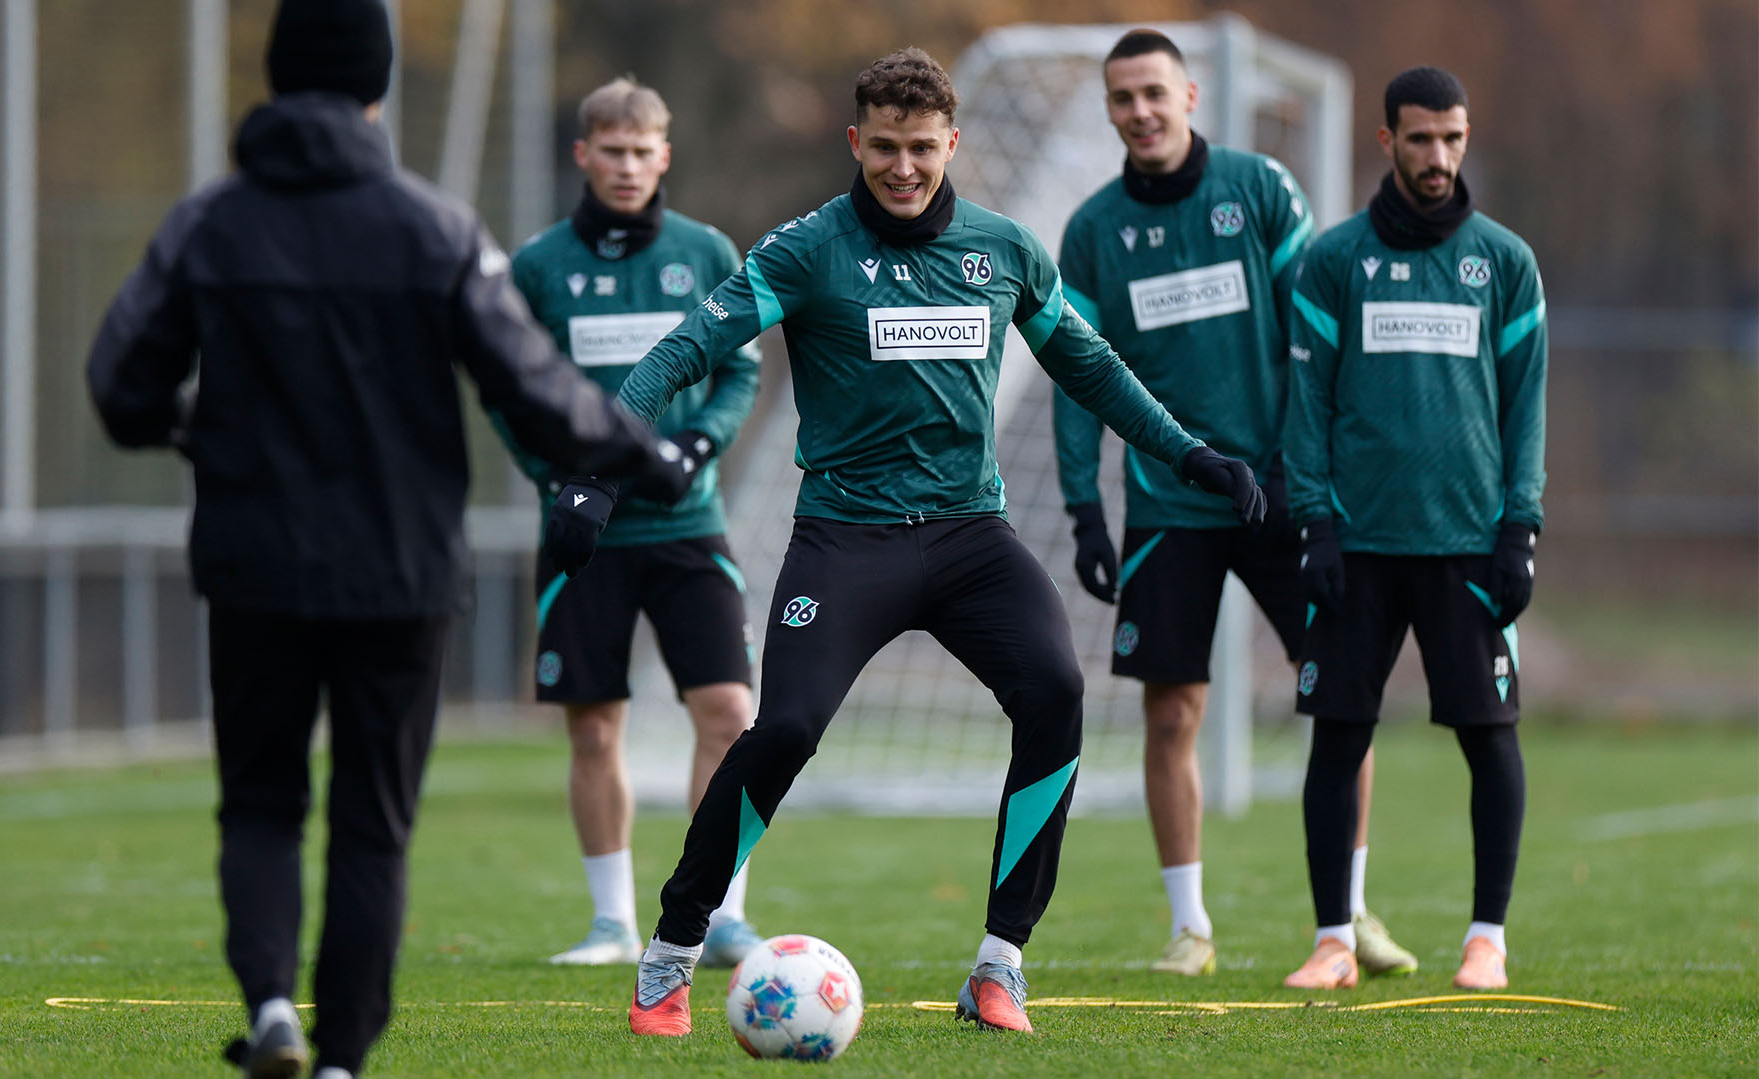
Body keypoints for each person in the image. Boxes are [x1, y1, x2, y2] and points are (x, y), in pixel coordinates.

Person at [585, 47, 1266, 1038]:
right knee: (782, 729)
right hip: (844, 540)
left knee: (1058, 693)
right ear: (856, 141)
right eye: (885, 148)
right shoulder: (805, 251)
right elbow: (689, 345)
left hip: (968, 538)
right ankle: (673, 949)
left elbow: (1091, 364)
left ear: (953, 141)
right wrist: (602, 462)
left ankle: (1000, 962)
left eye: (923, 148)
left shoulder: (1004, 251)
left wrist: (1191, 450)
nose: (904, 167)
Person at [86, 2, 689, 1076]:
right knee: (373, 820)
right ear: (377, 90)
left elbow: (120, 383)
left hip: (254, 563)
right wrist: (646, 453)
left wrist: (196, 433)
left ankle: (273, 1002)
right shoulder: (435, 228)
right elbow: (541, 390)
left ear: (273, 83)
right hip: (400, 574)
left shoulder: (210, 225)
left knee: (263, 804)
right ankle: (341, 1058)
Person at [1050, 29, 1415, 979]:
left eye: (1154, 92)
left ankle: (1352, 913)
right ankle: (1191, 927)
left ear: (1191, 95)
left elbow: (1315, 338)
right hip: (1167, 506)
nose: (1139, 110)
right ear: (1110, 108)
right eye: (1122, 97)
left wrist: (1311, 472)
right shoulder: (1091, 231)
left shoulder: (1259, 190)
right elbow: (1076, 373)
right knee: (1172, 714)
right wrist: (1084, 507)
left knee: (1338, 696)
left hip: (1281, 494)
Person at [489, 76, 764, 968]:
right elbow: (507, 391)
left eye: (644, 151)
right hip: (587, 535)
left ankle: (720, 912)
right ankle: (610, 920)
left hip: (687, 525)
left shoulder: (705, 249)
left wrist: (699, 444)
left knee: (728, 709)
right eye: (612, 150)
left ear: (666, 157)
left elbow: (740, 373)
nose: (628, 166)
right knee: (594, 723)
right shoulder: (537, 266)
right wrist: (556, 477)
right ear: (584, 154)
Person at [1280, 66, 1546, 991]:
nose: (1439, 157)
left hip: (1469, 545)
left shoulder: (1505, 263)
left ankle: (1487, 940)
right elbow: (1305, 400)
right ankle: (1332, 940)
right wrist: (1311, 517)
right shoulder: (1333, 258)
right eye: (1421, 138)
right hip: (1357, 544)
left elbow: (1526, 410)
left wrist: (1522, 528)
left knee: (1489, 736)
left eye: (1454, 138)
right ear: (1386, 140)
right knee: (1338, 735)